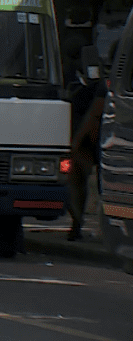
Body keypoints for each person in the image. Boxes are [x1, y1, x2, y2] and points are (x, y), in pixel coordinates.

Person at [67, 53, 106, 240]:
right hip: (100, 138)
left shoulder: (103, 85)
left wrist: (76, 142)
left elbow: (94, 115)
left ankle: (78, 222)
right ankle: (79, 224)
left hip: (94, 139)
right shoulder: (104, 83)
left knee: (80, 181)